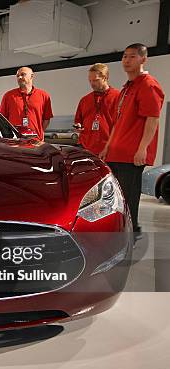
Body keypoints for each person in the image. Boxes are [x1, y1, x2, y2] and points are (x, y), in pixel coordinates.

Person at [99, 43, 165, 236]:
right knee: (114, 196)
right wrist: (108, 146)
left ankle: (131, 232)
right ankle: (118, 230)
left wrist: (142, 148)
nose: (127, 60)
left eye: (132, 57)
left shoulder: (148, 85)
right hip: (116, 152)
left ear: (143, 59)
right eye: (125, 57)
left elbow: (152, 119)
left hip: (131, 155)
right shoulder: (127, 88)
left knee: (128, 196)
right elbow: (118, 122)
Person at [74, 63, 120, 155]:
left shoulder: (118, 97)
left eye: (95, 80)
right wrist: (78, 126)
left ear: (105, 78)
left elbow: (121, 125)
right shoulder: (84, 100)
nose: (92, 84)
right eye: (90, 80)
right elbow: (78, 122)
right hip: (86, 149)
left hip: (109, 150)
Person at [0, 66, 53, 140]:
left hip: (36, 141)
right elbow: (3, 120)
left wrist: (38, 132)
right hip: (15, 141)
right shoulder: (8, 96)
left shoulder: (44, 96)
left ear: (32, 76)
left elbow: (46, 119)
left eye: (23, 74)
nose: (20, 77)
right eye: (17, 76)